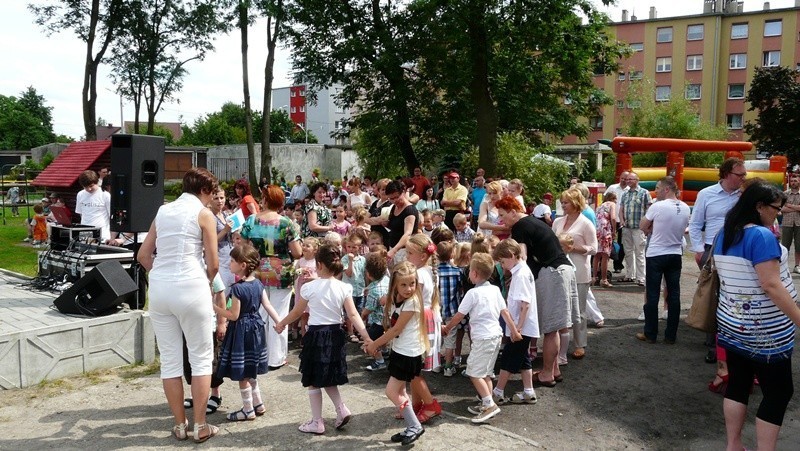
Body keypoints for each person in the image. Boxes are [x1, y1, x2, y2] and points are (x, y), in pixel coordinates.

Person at [713, 180, 800, 451]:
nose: (780, 212)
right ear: (759, 206)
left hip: (732, 324)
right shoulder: (761, 236)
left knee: (738, 384)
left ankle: (734, 445)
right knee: (779, 391)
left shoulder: (724, 234)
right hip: (765, 332)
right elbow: (771, 285)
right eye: (776, 208)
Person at [137, 168, 220, 443]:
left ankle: (180, 425)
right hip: (191, 286)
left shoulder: (163, 211)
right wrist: (203, 282)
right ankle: (199, 425)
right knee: (200, 358)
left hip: (160, 288)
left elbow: (143, 255)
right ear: (205, 190)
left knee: (170, 360)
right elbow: (214, 262)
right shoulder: (204, 214)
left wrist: (160, 274)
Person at [275, 244, 372, 435]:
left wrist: (281, 324)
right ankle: (341, 409)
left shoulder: (309, 288)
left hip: (316, 335)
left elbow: (297, 311)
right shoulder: (344, 287)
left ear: (318, 265)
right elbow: (353, 315)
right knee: (327, 375)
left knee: (313, 379)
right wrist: (367, 337)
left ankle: (317, 421)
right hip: (336, 335)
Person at [496, 196, 576, 387]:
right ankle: (553, 369)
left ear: (514, 212)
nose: (501, 220)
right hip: (561, 270)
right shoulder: (531, 222)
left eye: (502, 215)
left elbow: (520, 256)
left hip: (553, 272)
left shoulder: (520, 227)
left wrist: (513, 277)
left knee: (550, 327)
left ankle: (547, 374)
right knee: (554, 326)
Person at [442, 253, 521, 423]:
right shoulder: (495, 289)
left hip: (483, 338)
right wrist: (513, 331)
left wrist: (447, 328)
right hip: (496, 335)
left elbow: (459, 316)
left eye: (470, 270)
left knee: (473, 372)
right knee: (486, 372)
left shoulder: (472, 293)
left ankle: (489, 404)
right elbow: (504, 312)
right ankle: (486, 401)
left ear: (475, 273)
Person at [689, 157, 747, 368]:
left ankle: (731, 342)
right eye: (739, 175)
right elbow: (695, 224)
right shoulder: (707, 194)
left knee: (734, 297)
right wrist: (697, 250)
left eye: (744, 175)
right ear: (726, 174)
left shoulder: (745, 195)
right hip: (711, 250)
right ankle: (714, 344)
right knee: (714, 295)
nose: (743, 178)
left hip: (738, 250)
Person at [214, 245, 281, 421]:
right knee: (251, 368)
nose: (230, 263)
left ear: (243, 265)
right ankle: (258, 403)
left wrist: (213, 307)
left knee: (242, 371)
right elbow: (267, 305)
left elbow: (233, 315)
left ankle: (248, 409)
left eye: (233, 261)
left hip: (241, 331)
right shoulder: (258, 284)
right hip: (256, 328)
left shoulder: (237, 288)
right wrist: (279, 322)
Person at [365, 261, 427, 445]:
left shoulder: (413, 302)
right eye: (404, 284)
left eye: (412, 284)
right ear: (395, 285)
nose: (409, 288)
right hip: (400, 351)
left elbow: (396, 330)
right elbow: (390, 326)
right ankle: (411, 426)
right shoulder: (396, 298)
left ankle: (415, 426)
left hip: (409, 354)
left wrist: (374, 344)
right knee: (400, 391)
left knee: (391, 392)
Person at [240, 185, 302, 369]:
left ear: (266, 200)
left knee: (259, 313)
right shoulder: (286, 223)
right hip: (280, 272)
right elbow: (297, 252)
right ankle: (276, 358)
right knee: (279, 314)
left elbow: (244, 247)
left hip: (257, 270)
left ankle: (258, 354)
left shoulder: (251, 220)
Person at [636, 176, 689, 344]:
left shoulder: (657, 206)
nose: (656, 191)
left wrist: (651, 228)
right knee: (674, 294)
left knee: (652, 294)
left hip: (657, 253)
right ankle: (670, 335)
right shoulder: (686, 207)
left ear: (667, 189)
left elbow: (643, 226)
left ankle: (650, 333)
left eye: (658, 188)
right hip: (675, 252)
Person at [491, 238, 539, 405]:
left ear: (511, 256)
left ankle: (498, 392)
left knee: (509, 359)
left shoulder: (521, 275)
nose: (503, 265)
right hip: (523, 326)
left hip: (521, 327)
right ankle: (528, 391)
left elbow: (525, 304)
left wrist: (516, 328)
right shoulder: (521, 271)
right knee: (522, 357)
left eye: (503, 261)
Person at [552, 189, 597, 360]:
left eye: (566, 202)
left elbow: (594, 248)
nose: (563, 205)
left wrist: (574, 248)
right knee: (559, 307)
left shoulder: (586, 223)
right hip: (559, 270)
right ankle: (558, 343)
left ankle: (580, 344)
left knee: (579, 309)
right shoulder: (557, 222)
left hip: (579, 271)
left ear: (576, 204)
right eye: (562, 202)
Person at [404, 233, 442, 423]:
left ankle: (429, 404)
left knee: (412, 368)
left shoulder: (418, 274)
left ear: (422, 256)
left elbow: (412, 300)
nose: (406, 257)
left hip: (419, 320)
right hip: (428, 318)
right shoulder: (430, 272)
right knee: (414, 367)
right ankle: (416, 405)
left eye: (410, 253)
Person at [182, 273, 227, 415]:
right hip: (187, 324)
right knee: (189, 360)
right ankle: (196, 393)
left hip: (208, 324)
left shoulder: (210, 271)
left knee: (212, 361)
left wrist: (221, 323)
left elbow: (220, 296)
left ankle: (215, 393)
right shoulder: (182, 269)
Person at [619, 172, 651, 286]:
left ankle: (641, 277)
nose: (627, 181)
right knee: (628, 252)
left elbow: (649, 209)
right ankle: (629, 275)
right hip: (627, 227)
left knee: (639, 252)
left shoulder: (644, 193)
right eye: (627, 179)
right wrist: (621, 220)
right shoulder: (625, 194)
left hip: (639, 228)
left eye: (630, 179)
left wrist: (646, 225)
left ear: (637, 180)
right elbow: (621, 208)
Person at [436, 240, 463, 377]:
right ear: (452, 254)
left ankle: (436, 364)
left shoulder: (434, 272)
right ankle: (448, 366)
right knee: (450, 339)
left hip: (437, 310)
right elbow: (460, 290)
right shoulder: (457, 272)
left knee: (437, 337)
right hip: (453, 309)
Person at [362, 249, 390, 371]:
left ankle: (380, 361)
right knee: (382, 337)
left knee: (371, 341)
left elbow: (369, 309)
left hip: (378, 321)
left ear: (368, 274)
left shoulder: (373, 291)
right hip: (387, 319)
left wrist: (362, 315)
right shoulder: (387, 280)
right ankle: (385, 351)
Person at [382, 180, 419, 263]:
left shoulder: (409, 210)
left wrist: (394, 250)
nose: (395, 201)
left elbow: (408, 233)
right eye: (391, 198)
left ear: (403, 192)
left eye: (397, 197)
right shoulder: (393, 207)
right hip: (393, 248)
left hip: (404, 251)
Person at [75, 170, 111, 241]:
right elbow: (81, 213)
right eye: (85, 187)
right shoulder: (80, 194)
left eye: (91, 186)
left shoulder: (105, 195)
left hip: (102, 235)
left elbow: (111, 215)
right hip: (85, 234)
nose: (89, 189)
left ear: (97, 182)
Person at [605, 171, 630, 273]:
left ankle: (618, 264)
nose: (624, 180)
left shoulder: (629, 190)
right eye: (622, 178)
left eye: (626, 179)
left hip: (623, 220)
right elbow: (605, 199)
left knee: (622, 244)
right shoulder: (612, 188)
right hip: (611, 219)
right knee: (609, 243)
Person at [594, 192, 617, 287]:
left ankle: (594, 277)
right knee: (605, 255)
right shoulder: (611, 204)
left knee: (597, 255)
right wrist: (614, 230)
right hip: (605, 229)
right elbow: (613, 218)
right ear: (612, 198)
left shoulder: (599, 206)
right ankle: (604, 279)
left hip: (597, 229)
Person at [780, 173, 800, 272]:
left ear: (799, 181)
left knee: (799, 246)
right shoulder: (784, 194)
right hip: (787, 222)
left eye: (795, 181)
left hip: (799, 223)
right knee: (785, 246)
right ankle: (784, 266)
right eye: (792, 181)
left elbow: (786, 207)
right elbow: (780, 208)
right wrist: (796, 208)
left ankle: (797, 266)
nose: (793, 183)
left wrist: (790, 206)